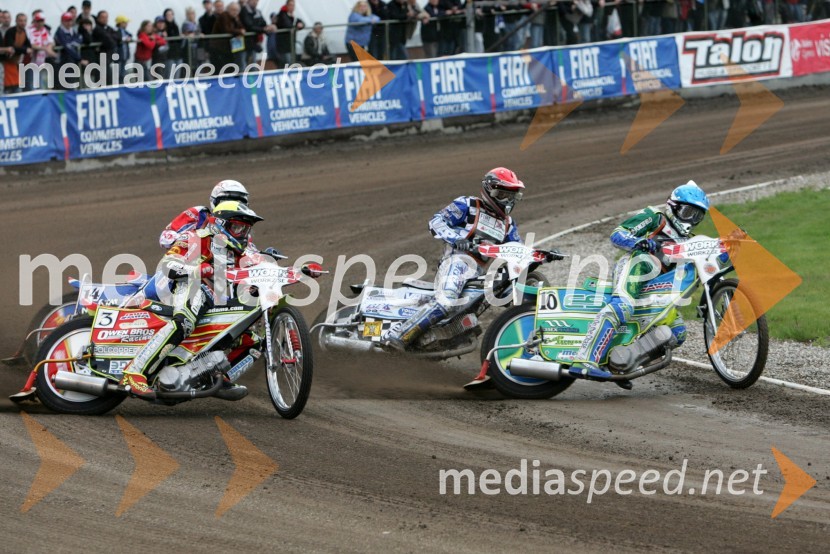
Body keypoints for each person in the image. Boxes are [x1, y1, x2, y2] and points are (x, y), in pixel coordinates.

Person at [568, 182, 712, 386]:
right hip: (637, 266)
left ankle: (623, 364)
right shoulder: (655, 218)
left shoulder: (690, 240)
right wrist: (638, 242)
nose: (692, 220)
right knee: (622, 307)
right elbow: (618, 233)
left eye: (697, 215)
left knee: (677, 333)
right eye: (688, 212)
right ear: (673, 206)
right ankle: (584, 359)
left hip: (658, 286)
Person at [119, 201, 264, 400]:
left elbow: (254, 273)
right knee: (184, 320)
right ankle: (133, 372)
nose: (242, 234)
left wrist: (299, 272)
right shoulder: (197, 237)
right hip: (192, 286)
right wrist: (196, 270)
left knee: (252, 340)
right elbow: (167, 265)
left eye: (245, 229)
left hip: (220, 300)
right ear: (221, 223)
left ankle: (216, 376)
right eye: (237, 227)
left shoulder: (240, 253)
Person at [382, 168, 526, 350]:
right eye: (503, 194)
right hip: (457, 261)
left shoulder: (508, 224)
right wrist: (457, 238)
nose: (508, 201)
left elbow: (517, 249)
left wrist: (541, 255)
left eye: (512, 196)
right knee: (447, 300)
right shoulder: (468, 205)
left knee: (466, 315)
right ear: (490, 190)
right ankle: (397, 337)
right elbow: (437, 221)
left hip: (478, 273)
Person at [160, 180, 251, 249]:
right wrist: (189, 239)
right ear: (214, 201)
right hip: (187, 265)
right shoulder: (199, 214)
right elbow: (165, 237)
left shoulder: (242, 229)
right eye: (226, 202)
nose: (231, 206)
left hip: (222, 270)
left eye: (239, 203)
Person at [3, 13, 32, 93]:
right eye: (20, 21)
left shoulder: (24, 32)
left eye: (24, 21)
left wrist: (25, 49)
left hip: (17, 62)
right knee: (10, 87)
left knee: (18, 85)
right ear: (16, 21)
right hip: (8, 63)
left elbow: (28, 45)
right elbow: (11, 47)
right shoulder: (11, 32)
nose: (23, 23)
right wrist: (25, 50)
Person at [55, 12, 85, 88]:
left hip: (72, 61)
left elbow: (80, 38)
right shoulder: (60, 32)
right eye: (66, 21)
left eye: (70, 20)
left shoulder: (72, 31)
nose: (69, 23)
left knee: (74, 81)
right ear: (62, 21)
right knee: (66, 83)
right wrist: (79, 58)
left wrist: (72, 43)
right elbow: (67, 47)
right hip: (63, 62)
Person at [241, 0, 276, 66]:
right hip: (244, 43)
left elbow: (263, 23)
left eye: (257, 1)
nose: (255, 2)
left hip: (253, 42)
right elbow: (249, 26)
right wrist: (263, 29)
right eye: (253, 0)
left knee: (252, 63)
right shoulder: (244, 11)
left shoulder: (257, 11)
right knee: (243, 63)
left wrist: (268, 27)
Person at [213, 2, 245, 71]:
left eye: (237, 10)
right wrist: (239, 32)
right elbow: (226, 29)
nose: (235, 12)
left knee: (233, 66)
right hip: (219, 47)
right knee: (224, 67)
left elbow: (242, 28)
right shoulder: (224, 15)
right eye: (233, 10)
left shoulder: (235, 17)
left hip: (229, 47)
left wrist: (239, 31)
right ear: (228, 9)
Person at [92, 11, 122, 84]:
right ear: (98, 18)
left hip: (108, 58)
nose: (105, 19)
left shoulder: (108, 28)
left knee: (110, 79)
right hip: (100, 59)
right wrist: (111, 37)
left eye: (106, 17)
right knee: (101, 80)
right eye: (103, 17)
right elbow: (108, 40)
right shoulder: (97, 28)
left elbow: (118, 37)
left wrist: (111, 37)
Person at [276, 0, 304, 65]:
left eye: (293, 5)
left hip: (291, 44)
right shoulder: (282, 14)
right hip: (284, 45)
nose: (292, 7)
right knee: (287, 63)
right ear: (287, 6)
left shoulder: (294, 17)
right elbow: (287, 24)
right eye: (290, 5)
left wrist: (301, 25)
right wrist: (296, 25)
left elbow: (301, 23)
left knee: (292, 62)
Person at [163, 9, 183, 78]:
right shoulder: (164, 26)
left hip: (178, 53)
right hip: (169, 55)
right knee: (170, 74)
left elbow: (178, 40)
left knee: (177, 76)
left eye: (171, 14)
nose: (169, 16)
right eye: (167, 15)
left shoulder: (176, 26)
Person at [115, 15, 132, 79]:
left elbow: (130, 35)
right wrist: (124, 39)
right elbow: (117, 38)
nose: (127, 24)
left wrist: (128, 38)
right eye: (125, 23)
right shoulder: (116, 30)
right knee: (118, 72)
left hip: (124, 55)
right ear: (121, 23)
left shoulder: (124, 31)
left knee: (123, 72)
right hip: (119, 55)